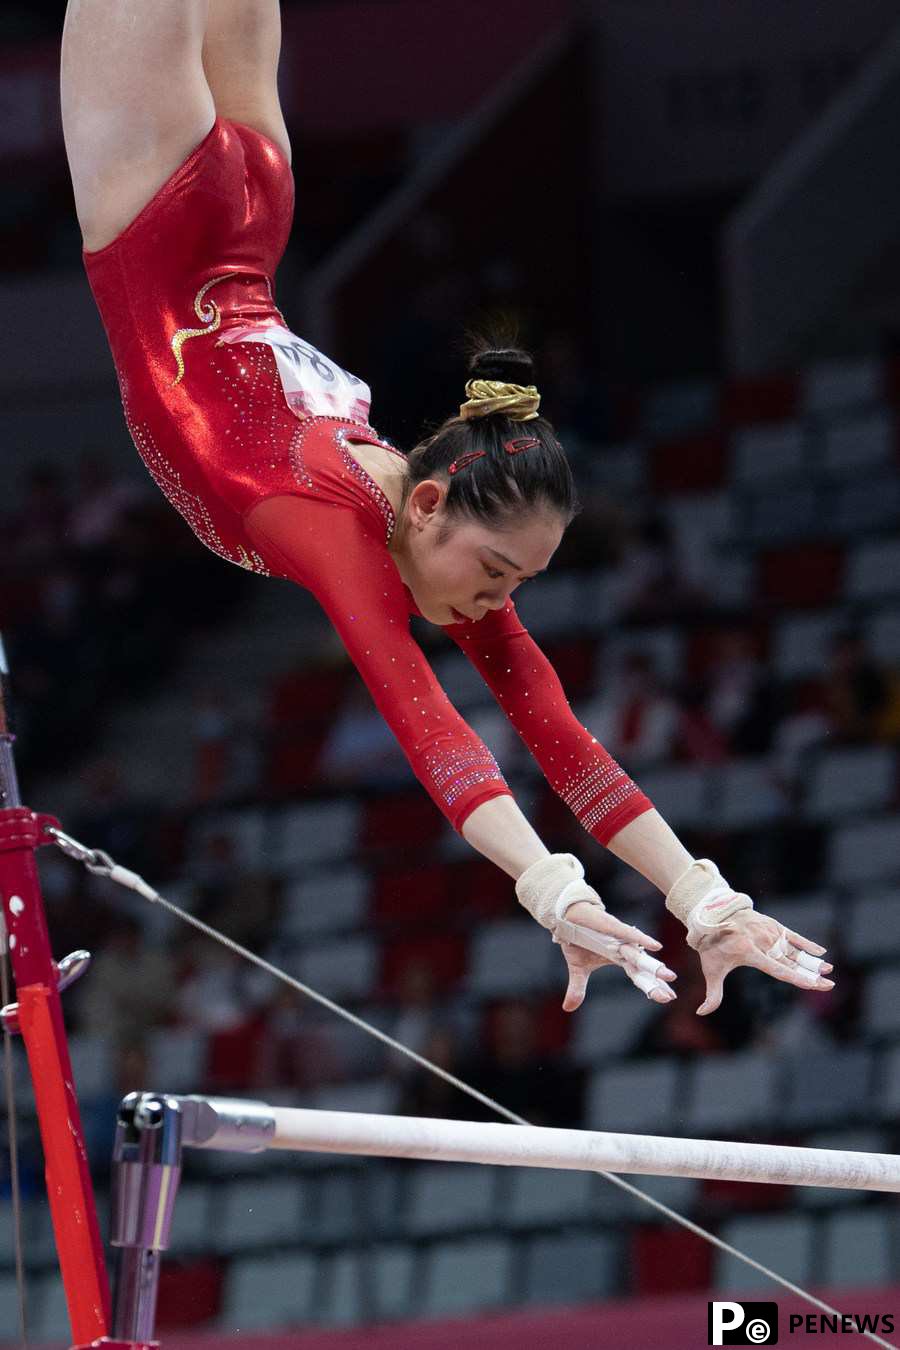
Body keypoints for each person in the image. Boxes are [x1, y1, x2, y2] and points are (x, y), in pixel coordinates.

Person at [61, 0, 834, 1017]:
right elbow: (431, 729)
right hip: (163, 213)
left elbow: (558, 734)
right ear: (429, 503)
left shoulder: (427, 528)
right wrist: (551, 886)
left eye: (515, 584)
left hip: (240, 210)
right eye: (498, 574)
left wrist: (703, 895)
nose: (494, 604)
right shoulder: (333, 527)